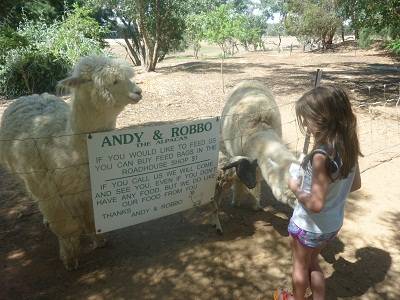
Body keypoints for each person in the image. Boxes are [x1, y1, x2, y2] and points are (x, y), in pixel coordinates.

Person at [274, 85, 362, 300]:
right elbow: (355, 184)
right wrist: (333, 190)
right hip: (332, 225)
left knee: (300, 268)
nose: (305, 125)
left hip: (308, 226)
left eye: (307, 120)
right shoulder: (348, 145)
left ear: (324, 120)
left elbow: (315, 204)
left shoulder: (321, 157)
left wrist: (295, 187)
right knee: (313, 263)